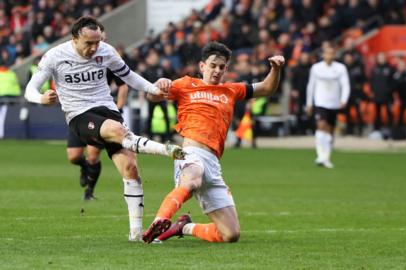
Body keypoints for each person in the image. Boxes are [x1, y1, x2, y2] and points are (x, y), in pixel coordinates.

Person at [24, 16, 185, 241]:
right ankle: (166, 150)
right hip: (79, 114)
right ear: (74, 39)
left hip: (107, 109)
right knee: (117, 132)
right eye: (88, 43)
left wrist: (152, 88)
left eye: (97, 42)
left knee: (130, 168)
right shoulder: (55, 56)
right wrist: (41, 98)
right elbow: (30, 89)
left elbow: (129, 77)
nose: (94, 48)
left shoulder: (106, 51)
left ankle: (136, 234)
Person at [142, 41, 285, 243]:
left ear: (226, 68)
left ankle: (185, 227)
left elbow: (267, 88)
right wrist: (160, 83)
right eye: (212, 65)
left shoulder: (232, 90)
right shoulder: (185, 84)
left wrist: (276, 69)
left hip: (213, 163)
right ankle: (160, 220)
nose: (217, 70)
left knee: (230, 234)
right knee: (192, 178)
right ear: (202, 66)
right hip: (190, 153)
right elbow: (152, 96)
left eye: (221, 67)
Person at [68, 69, 129, 201]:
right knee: (73, 156)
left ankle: (89, 191)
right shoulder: (74, 65)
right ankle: (85, 167)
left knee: (93, 155)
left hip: (99, 116)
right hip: (79, 114)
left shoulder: (105, 63)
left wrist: (119, 107)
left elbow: (123, 85)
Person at [305, 46, 350, 168]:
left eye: (331, 53)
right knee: (321, 126)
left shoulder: (340, 68)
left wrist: (343, 100)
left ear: (334, 55)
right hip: (320, 102)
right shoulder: (316, 68)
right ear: (323, 55)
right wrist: (309, 103)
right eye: (327, 53)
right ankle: (320, 156)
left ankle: (326, 157)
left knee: (330, 131)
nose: (329, 56)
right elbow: (311, 86)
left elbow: (345, 85)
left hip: (334, 103)